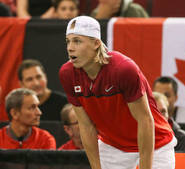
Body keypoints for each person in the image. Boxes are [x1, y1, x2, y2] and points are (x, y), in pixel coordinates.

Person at [59, 16, 176, 169]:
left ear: (96, 43)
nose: (70, 47)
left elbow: (144, 120)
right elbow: (86, 125)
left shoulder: (123, 69)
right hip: (112, 147)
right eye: (68, 41)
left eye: (77, 41)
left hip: (156, 143)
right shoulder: (67, 74)